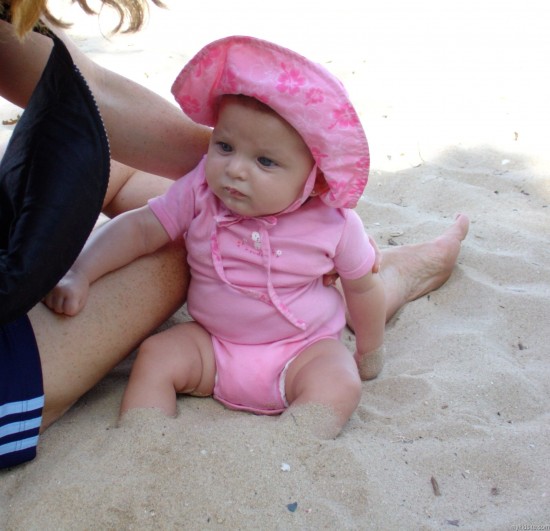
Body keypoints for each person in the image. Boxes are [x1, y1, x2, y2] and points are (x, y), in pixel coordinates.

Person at [0, 0, 469, 468]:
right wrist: (82, 271)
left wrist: (369, 349)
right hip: (215, 347)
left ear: (314, 179)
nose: (234, 171)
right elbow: (143, 227)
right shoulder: (201, 190)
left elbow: (360, 286)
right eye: (223, 146)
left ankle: (296, 443)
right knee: (159, 354)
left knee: (338, 380)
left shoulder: (334, 224)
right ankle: (144, 440)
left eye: (265, 161)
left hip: (301, 350)